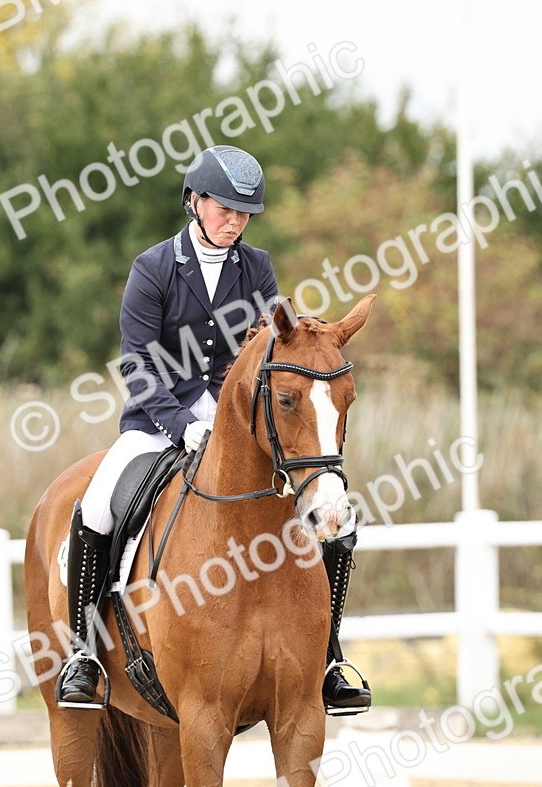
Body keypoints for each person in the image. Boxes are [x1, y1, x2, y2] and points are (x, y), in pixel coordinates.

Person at [57, 144, 370, 713]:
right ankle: (84, 653)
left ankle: (329, 657)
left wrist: (234, 423)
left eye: (244, 212)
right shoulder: (152, 269)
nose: (236, 221)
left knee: (336, 516)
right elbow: (137, 366)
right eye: (225, 208)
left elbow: (268, 348)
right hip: (157, 422)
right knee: (98, 503)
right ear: (194, 202)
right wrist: (183, 425)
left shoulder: (257, 266)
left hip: (238, 426)